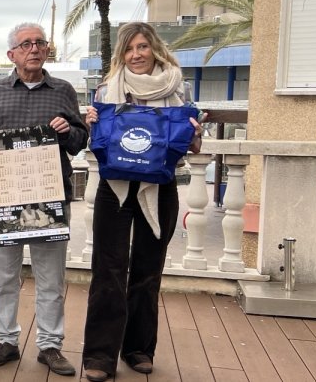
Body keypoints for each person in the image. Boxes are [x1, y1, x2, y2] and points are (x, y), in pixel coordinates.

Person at [81, 22, 201, 382]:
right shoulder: (107, 89)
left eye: (143, 47)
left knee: (148, 270)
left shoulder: (178, 88)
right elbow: (98, 144)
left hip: (160, 186)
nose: (136, 55)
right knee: (108, 270)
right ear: (122, 54)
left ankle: (138, 349)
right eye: (129, 49)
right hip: (115, 187)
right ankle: (100, 355)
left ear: (155, 49)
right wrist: (92, 123)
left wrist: (195, 134)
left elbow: (193, 146)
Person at [0, 22, 87, 377]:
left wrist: (68, 131)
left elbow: (80, 140)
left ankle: (50, 345)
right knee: (3, 277)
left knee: (50, 278)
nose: (34, 49)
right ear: (12, 54)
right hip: (2, 198)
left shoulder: (63, 91)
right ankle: (6, 340)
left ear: (47, 50)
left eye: (39, 43)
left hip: (50, 198)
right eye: (26, 44)